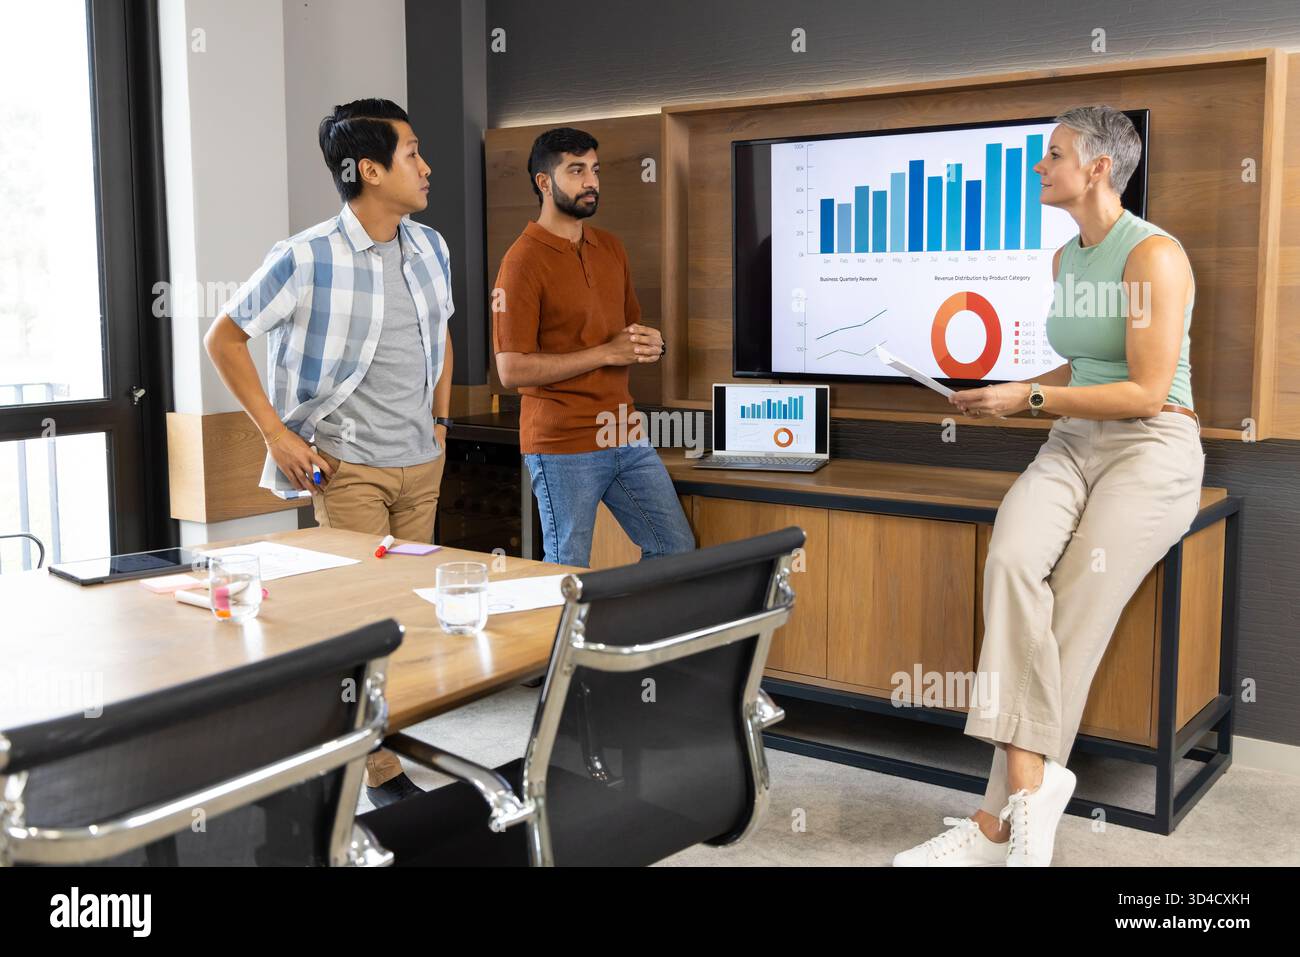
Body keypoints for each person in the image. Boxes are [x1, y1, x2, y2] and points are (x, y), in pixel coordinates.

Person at [894, 105, 1205, 866]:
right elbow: (1077, 368)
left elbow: (1145, 388)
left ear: (1098, 167)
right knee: (1009, 561)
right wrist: (1008, 388)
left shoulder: (1154, 255)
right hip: (1071, 440)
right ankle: (1035, 799)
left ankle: (998, 822)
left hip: (1152, 446)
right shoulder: (1068, 259)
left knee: (1071, 608)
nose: (1040, 166)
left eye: (1053, 154)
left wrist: (1027, 401)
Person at [204, 98, 455, 808]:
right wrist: (276, 434)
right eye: (412, 153)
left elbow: (443, 336)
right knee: (358, 626)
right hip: (348, 469)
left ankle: (387, 748)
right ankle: (372, 776)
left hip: (422, 464)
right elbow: (224, 338)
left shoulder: (432, 246)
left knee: (409, 620)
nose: (425, 166)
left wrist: (440, 425)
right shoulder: (304, 256)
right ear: (370, 170)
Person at [492, 127, 694, 567]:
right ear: (544, 182)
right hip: (562, 442)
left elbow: (625, 335)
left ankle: (627, 637)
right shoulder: (521, 261)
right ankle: (555, 640)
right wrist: (605, 354)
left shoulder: (611, 248)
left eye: (595, 170)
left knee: (674, 548)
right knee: (567, 565)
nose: (591, 182)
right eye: (577, 170)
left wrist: (650, 343)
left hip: (624, 432)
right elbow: (511, 370)